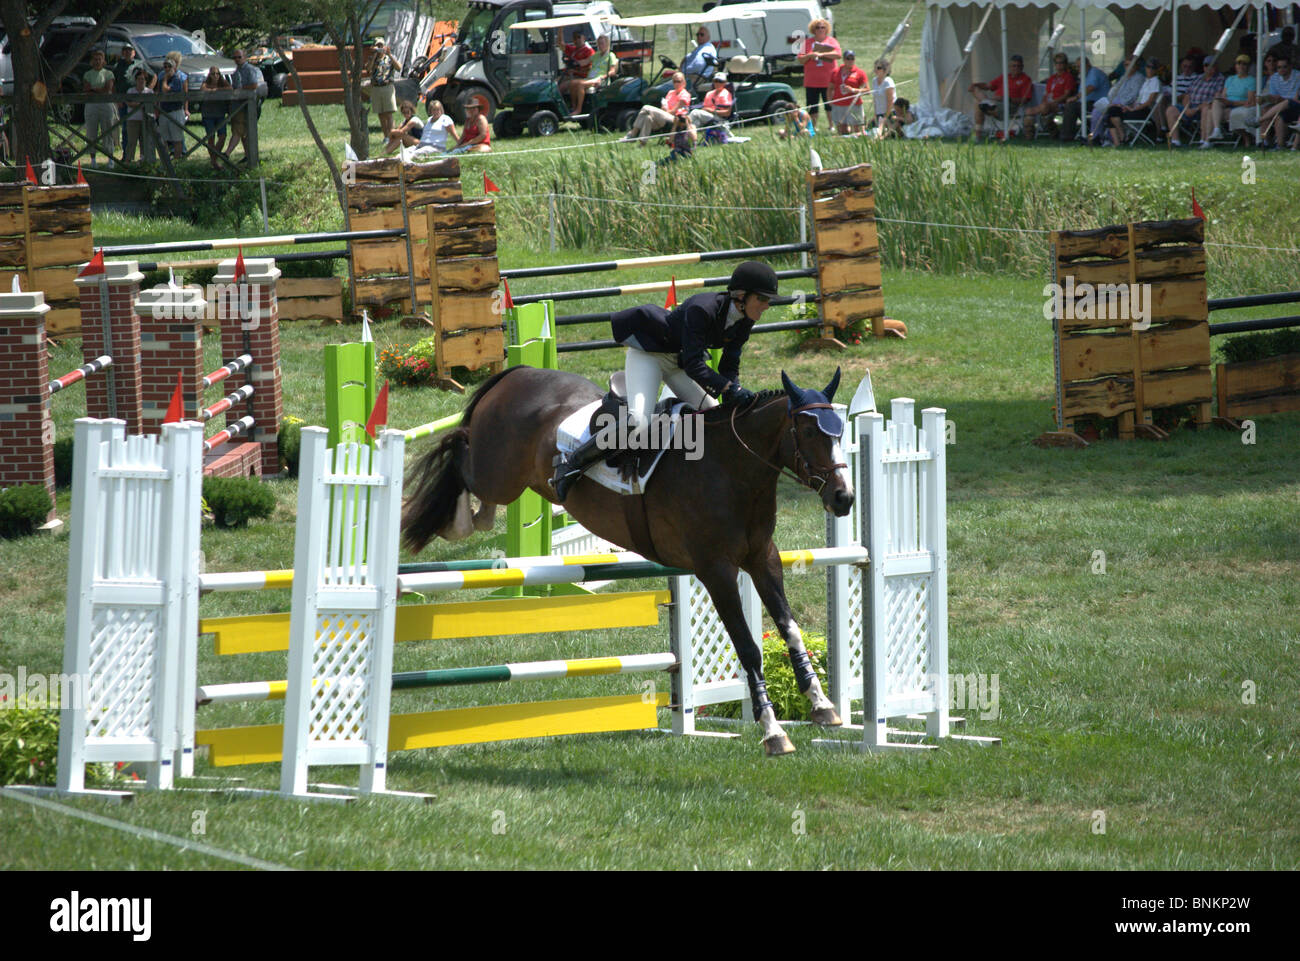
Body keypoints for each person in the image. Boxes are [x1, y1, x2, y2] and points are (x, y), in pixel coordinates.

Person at [550, 261, 779, 500]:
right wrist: (727, 387)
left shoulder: (745, 320)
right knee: (638, 420)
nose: (766, 305)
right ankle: (571, 464)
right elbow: (694, 364)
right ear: (741, 296)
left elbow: (729, 365)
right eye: (762, 299)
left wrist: (735, 389)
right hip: (648, 356)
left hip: (676, 362)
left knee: (712, 412)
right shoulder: (703, 308)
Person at [969, 54, 1033, 140]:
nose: (1016, 68)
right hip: (996, 102)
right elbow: (988, 86)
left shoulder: (1026, 79)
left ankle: (977, 134)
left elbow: (1025, 99)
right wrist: (976, 85)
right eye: (1014, 66)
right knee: (976, 92)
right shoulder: (1005, 77)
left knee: (979, 105)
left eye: (1018, 66)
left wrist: (1006, 98)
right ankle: (987, 104)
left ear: (1022, 67)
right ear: (1010, 67)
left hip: (1010, 106)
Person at [1166, 56, 1223, 146]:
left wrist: (1197, 108)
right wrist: (1187, 108)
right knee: (1171, 110)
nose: (1208, 68)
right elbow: (1187, 95)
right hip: (1191, 106)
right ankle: (1175, 140)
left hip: (1205, 106)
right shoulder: (1198, 78)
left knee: (1206, 108)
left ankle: (1204, 140)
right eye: (1206, 65)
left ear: (1216, 67)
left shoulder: (1219, 79)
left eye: (1211, 65)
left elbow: (1217, 96)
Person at [1104, 58, 1162, 146]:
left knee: (1113, 112)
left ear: (1156, 70)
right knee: (1112, 111)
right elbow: (1139, 99)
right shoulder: (1146, 81)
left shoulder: (1155, 82)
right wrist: (1129, 107)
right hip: (1137, 108)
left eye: (1152, 67)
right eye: (1148, 67)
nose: (1149, 69)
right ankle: (1120, 140)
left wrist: (1133, 109)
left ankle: (1121, 139)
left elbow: (1149, 102)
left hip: (1145, 111)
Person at [624, 71, 691, 145]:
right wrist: (663, 110)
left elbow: (674, 111)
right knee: (647, 117)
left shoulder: (685, 95)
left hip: (675, 119)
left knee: (646, 107)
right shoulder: (670, 93)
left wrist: (664, 111)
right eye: (674, 81)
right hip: (665, 116)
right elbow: (664, 106)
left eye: (678, 81)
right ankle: (642, 143)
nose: (676, 84)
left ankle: (633, 133)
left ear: (684, 82)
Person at [797, 18, 840, 131]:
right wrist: (810, 55)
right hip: (812, 80)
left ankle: (831, 125)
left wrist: (822, 54)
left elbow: (838, 54)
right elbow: (801, 59)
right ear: (813, 30)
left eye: (823, 27)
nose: (820, 29)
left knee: (829, 104)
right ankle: (813, 127)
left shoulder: (831, 41)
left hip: (828, 79)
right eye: (818, 27)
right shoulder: (807, 42)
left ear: (826, 29)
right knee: (812, 106)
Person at [1208, 54, 1258, 146]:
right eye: (1239, 63)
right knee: (1215, 103)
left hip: (1239, 105)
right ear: (1235, 65)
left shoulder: (1251, 80)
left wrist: (1232, 103)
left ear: (1248, 67)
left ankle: (1209, 139)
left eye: (1244, 64)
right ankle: (1215, 132)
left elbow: (1250, 101)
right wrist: (1221, 97)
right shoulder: (1230, 79)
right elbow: (1224, 95)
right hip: (1227, 105)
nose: (1241, 66)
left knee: (1212, 112)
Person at [1059, 56, 1108, 142]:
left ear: (1087, 64)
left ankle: (1067, 137)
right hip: (1087, 104)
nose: (1078, 69)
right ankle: (1066, 134)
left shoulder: (1094, 72)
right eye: (1077, 67)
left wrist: (1076, 97)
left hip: (1097, 104)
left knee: (1072, 106)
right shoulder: (1084, 76)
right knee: (1070, 106)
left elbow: (1091, 87)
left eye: (1080, 66)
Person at [225, 49, 261, 163]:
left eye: (239, 57)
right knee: (242, 132)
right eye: (234, 57)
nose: (236, 59)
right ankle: (248, 156)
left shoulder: (250, 69)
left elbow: (254, 85)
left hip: (247, 105)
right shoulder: (236, 71)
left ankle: (227, 153)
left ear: (244, 57)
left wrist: (240, 89)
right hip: (237, 105)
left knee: (240, 131)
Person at [1258, 50, 1300, 147]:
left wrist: (1281, 99)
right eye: (1279, 67)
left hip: (1295, 105)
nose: (1281, 69)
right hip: (1282, 106)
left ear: (1290, 66)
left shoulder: (1298, 76)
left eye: (1284, 67)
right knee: (1272, 112)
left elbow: (1295, 98)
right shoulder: (1274, 78)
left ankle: (1259, 120)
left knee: (1287, 102)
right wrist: (1266, 99)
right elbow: (1274, 97)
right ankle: (1272, 143)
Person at [83, 49, 117, 167]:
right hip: (91, 104)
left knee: (107, 130)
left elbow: (108, 89)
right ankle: (93, 159)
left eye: (99, 59)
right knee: (91, 131)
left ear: (103, 61)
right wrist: (97, 90)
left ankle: (110, 158)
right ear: (92, 61)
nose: (97, 61)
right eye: (95, 59)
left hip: (105, 104)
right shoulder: (87, 74)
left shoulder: (108, 74)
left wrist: (95, 89)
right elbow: (87, 89)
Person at [572, 33, 619, 116]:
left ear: (607, 44)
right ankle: (574, 107)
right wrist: (573, 61)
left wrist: (602, 77)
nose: (600, 46)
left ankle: (578, 110)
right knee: (572, 83)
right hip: (590, 78)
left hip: (600, 79)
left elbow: (612, 71)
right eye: (599, 44)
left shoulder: (611, 55)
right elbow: (584, 62)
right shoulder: (596, 55)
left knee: (580, 85)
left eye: (602, 43)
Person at [367, 39, 401, 141]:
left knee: (388, 113)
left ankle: (392, 136)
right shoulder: (372, 58)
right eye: (378, 45)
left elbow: (399, 68)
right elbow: (368, 69)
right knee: (381, 114)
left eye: (381, 45)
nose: (380, 48)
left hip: (387, 87)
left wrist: (389, 54)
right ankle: (386, 137)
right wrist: (374, 55)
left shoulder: (390, 58)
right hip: (376, 88)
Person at [156, 53, 188, 161]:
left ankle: (176, 161)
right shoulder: (160, 75)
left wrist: (165, 79)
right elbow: (158, 92)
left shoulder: (179, 77)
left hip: (176, 111)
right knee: (163, 138)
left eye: (169, 66)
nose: (167, 68)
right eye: (165, 66)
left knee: (177, 139)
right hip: (163, 111)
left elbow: (166, 90)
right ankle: (165, 161)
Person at [829, 50, 868, 135]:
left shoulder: (859, 73)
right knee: (842, 131)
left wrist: (853, 90)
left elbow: (867, 90)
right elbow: (830, 87)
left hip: (854, 104)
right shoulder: (836, 72)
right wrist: (830, 100)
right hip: (839, 104)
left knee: (857, 130)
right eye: (848, 58)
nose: (850, 61)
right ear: (844, 59)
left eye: (852, 58)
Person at [122, 68, 155, 164]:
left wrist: (138, 104)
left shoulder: (149, 92)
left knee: (144, 141)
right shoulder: (131, 91)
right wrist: (141, 104)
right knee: (132, 141)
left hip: (145, 119)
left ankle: (144, 159)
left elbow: (151, 105)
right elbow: (129, 103)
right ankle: (128, 160)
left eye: (143, 79)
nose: (141, 81)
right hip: (133, 119)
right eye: (139, 79)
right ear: (135, 80)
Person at [559, 29, 595, 114]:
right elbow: (560, 44)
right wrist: (560, 29)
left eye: (579, 37)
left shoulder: (589, 51)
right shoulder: (573, 50)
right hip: (570, 75)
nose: (577, 40)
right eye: (575, 38)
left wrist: (574, 70)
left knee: (561, 87)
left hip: (581, 76)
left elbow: (590, 68)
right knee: (554, 84)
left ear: (584, 38)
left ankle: (567, 109)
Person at [199, 66, 230, 168]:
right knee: (210, 137)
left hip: (220, 113)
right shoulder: (206, 82)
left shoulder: (222, 82)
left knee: (222, 136)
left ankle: (213, 159)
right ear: (209, 75)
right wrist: (213, 90)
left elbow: (230, 88)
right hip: (208, 114)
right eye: (213, 74)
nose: (216, 76)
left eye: (217, 74)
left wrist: (217, 89)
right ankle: (214, 161)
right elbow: (203, 89)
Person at [869, 58, 894, 134]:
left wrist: (886, 117)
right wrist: (875, 114)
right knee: (870, 128)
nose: (876, 70)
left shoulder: (888, 81)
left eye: (878, 68)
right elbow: (875, 99)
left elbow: (890, 101)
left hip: (888, 113)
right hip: (878, 113)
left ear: (885, 69)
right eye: (875, 68)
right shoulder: (874, 81)